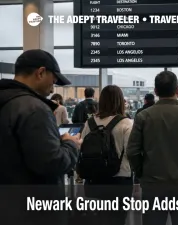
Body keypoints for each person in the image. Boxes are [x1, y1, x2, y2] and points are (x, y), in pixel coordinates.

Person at [0, 49, 80, 225]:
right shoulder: (34, 109)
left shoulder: (6, 101)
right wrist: (70, 144)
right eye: (54, 80)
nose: (53, 87)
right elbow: (52, 163)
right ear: (41, 72)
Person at [127, 71, 178, 225]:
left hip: (153, 185)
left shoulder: (143, 116)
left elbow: (132, 151)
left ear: (156, 91)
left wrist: (142, 172)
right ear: (177, 90)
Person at [80, 85, 133, 225]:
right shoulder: (126, 123)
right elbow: (131, 152)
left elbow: (82, 148)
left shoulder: (90, 123)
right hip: (119, 180)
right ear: (120, 101)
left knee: (96, 220)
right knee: (117, 220)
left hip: (93, 180)